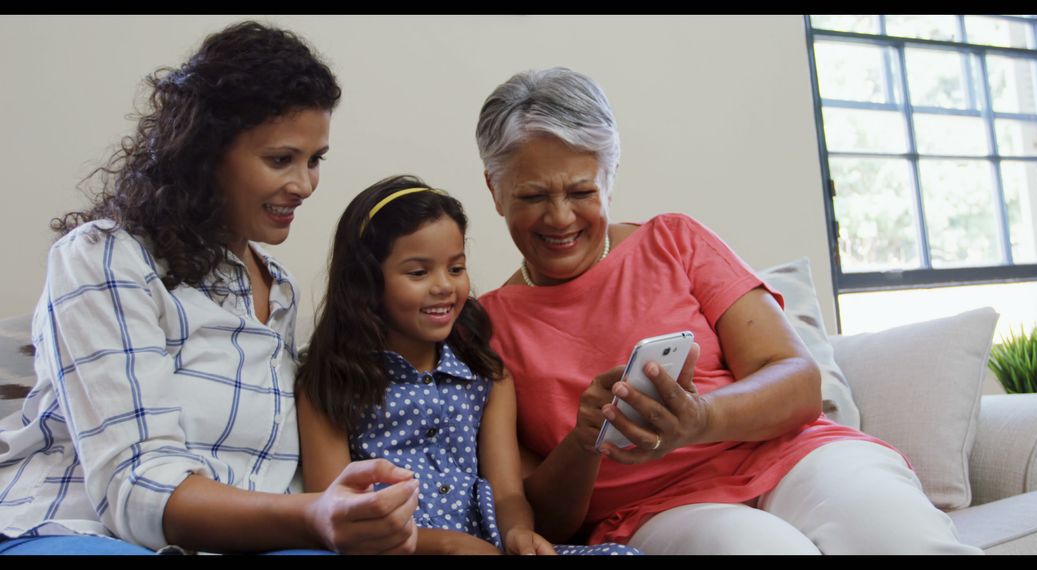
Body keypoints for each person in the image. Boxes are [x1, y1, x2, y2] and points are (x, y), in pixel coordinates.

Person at [473, 67, 983, 554]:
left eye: (581, 190)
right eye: (533, 195)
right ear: (495, 190)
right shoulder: (485, 329)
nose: (560, 217)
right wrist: (584, 442)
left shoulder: (674, 240)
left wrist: (700, 418)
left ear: (610, 175)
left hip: (793, 458)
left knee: (896, 535)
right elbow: (539, 520)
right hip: (655, 512)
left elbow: (798, 381)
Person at [0, 21, 419, 555]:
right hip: (80, 528)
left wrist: (357, 516)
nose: (305, 184)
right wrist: (313, 514)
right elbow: (136, 486)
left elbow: (280, 478)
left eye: (315, 160)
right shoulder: (105, 256)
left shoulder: (279, 289)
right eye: (280, 159)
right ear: (206, 153)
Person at [295, 175, 639, 555]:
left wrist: (518, 533)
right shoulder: (329, 383)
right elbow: (335, 515)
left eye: (455, 268)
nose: (444, 286)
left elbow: (508, 492)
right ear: (366, 282)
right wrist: (447, 545)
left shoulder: (486, 375)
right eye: (418, 272)